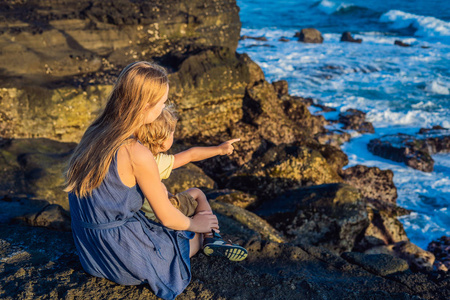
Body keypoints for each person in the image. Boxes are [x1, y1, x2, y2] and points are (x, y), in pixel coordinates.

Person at [65, 61, 221, 300]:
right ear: (147, 106)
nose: (164, 107)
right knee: (192, 237)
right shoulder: (136, 152)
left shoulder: (95, 132)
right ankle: (207, 238)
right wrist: (196, 226)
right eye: (162, 103)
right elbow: (167, 216)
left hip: (88, 249)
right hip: (119, 257)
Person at [135, 105, 247, 260]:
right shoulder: (156, 162)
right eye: (172, 132)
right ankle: (212, 236)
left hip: (143, 215)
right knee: (197, 193)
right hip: (162, 214)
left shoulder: (133, 156)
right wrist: (220, 149)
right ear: (163, 142)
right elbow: (191, 155)